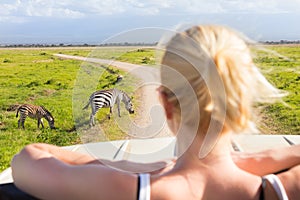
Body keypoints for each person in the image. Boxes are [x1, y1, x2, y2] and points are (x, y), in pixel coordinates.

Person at [10, 25, 300, 200]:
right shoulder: (282, 189)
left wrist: (142, 166)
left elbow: (27, 158)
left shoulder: (127, 188)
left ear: (164, 102)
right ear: (244, 100)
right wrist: (252, 161)